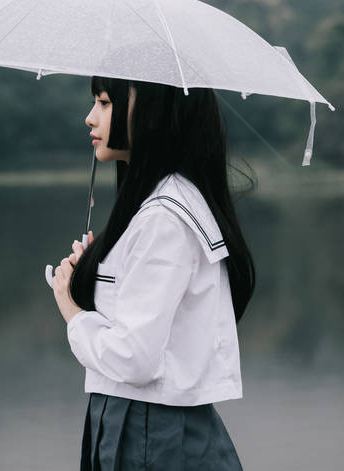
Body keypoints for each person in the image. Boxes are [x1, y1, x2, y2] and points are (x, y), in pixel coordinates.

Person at [50, 75, 255, 470]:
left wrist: (72, 309)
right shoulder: (161, 203)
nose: (89, 118)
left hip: (149, 430)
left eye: (105, 103)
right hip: (140, 422)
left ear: (150, 110)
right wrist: (98, 269)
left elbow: (133, 359)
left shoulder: (164, 215)